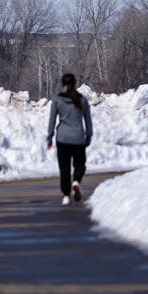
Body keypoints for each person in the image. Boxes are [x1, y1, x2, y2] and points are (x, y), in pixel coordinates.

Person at [46, 72, 93, 206]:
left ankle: (66, 196)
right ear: (75, 83)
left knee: (64, 168)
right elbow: (88, 120)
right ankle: (76, 182)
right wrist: (89, 135)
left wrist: (49, 137)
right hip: (78, 138)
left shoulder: (57, 100)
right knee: (80, 164)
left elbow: (52, 120)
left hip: (62, 138)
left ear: (62, 84)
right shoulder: (82, 99)